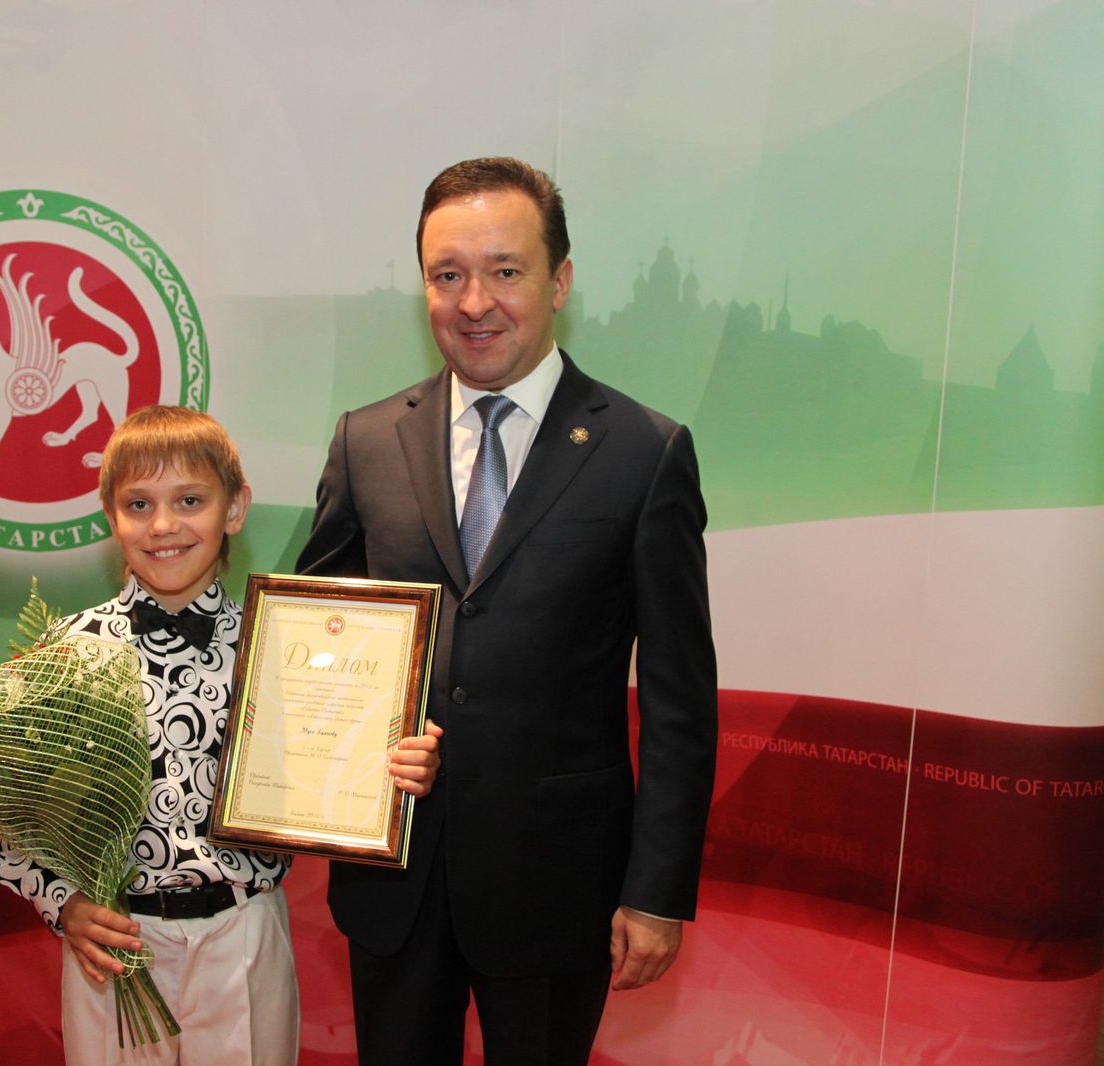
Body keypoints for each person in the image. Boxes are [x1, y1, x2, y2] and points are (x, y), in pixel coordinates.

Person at [296, 158, 718, 1065]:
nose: (475, 302)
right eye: (448, 275)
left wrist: (656, 890)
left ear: (559, 282)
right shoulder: (366, 442)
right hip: (395, 873)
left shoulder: (643, 453)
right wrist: (357, 742)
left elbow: (680, 701)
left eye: (506, 271)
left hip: (558, 885)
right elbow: (315, 646)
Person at [0, 405, 442, 1066]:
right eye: (139, 504)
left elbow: (337, 766)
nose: (164, 525)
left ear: (235, 508)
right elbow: (3, 810)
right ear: (110, 515)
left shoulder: (286, 642)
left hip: (244, 933)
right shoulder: (67, 650)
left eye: (190, 500)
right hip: (116, 944)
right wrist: (65, 903)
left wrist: (395, 766)